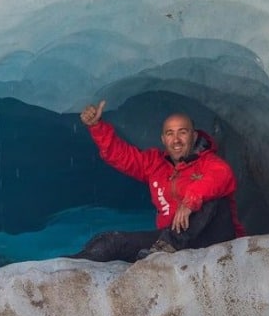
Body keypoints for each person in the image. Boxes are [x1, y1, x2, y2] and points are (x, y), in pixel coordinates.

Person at [69, 100, 246, 263]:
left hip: (213, 240)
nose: (176, 140)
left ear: (194, 136)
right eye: (170, 134)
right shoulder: (156, 164)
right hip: (167, 241)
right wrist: (97, 127)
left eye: (182, 133)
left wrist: (191, 201)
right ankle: (63, 269)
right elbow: (121, 156)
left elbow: (222, 175)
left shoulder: (209, 162)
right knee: (110, 242)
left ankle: (168, 247)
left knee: (213, 198)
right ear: (163, 139)